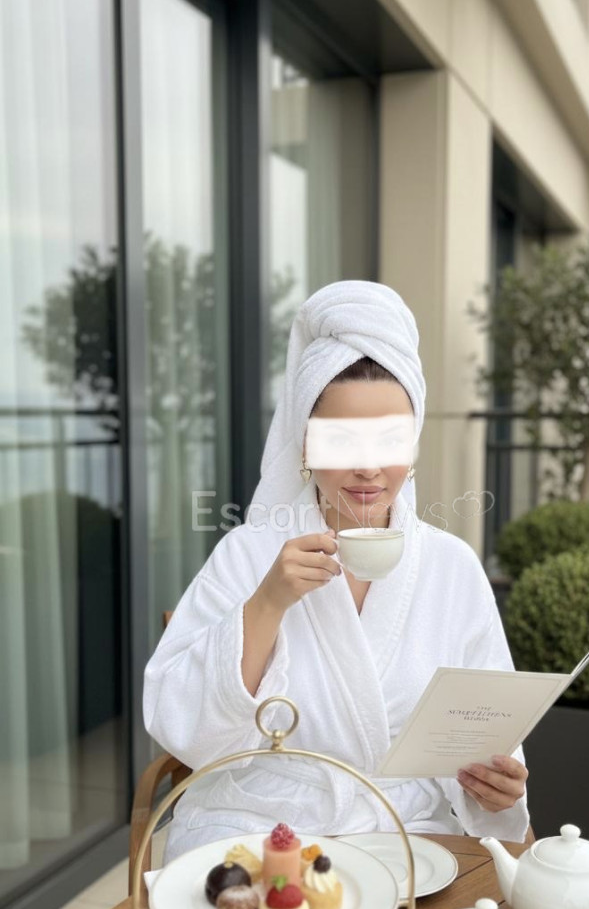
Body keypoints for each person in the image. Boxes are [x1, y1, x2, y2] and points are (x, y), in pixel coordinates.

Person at [143, 280, 529, 863]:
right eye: (342, 440)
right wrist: (268, 602)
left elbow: (488, 721)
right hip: (261, 824)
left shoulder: (451, 567)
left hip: (402, 831)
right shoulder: (249, 553)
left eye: (390, 439)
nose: (368, 467)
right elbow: (182, 723)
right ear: (304, 445)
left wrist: (497, 783)